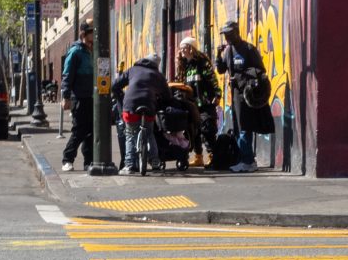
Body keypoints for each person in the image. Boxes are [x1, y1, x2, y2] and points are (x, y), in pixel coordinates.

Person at [214, 20, 274, 173]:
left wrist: (240, 78)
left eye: (228, 34)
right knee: (238, 127)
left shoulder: (248, 49)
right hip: (234, 96)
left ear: (236, 32)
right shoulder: (228, 51)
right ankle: (246, 160)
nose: (226, 37)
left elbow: (260, 71)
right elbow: (221, 70)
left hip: (246, 95)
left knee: (245, 128)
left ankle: (247, 161)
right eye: (225, 35)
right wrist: (218, 55)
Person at [113, 53, 172, 175]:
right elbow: (167, 96)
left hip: (130, 105)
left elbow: (115, 85)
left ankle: (129, 165)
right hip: (149, 106)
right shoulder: (158, 75)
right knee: (150, 133)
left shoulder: (133, 69)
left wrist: (121, 97)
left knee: (130, 134)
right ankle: (155, 162)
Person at [175, 36, 221, 167]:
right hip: (190, 104)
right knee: (193, 131)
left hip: (205, 102)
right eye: (181, 48)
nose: (182, 50)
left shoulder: (202, 62)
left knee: (207, 129)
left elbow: (213, 79)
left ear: (191, 48)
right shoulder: (184, 65)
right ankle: (198, 156)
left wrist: (217, 94)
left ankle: (213, 156)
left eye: (184, 47)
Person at [60, 21, 94, 171]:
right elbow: (67, 75)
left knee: (91, 131)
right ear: (84, 34)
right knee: (79, 129)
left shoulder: (93, 50)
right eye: (92, 31)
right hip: (79, 96)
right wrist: (66, 97)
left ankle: (89, 162)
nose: (95, 34)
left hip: (91, 96)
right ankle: (67, 159)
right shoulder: (76, 52)